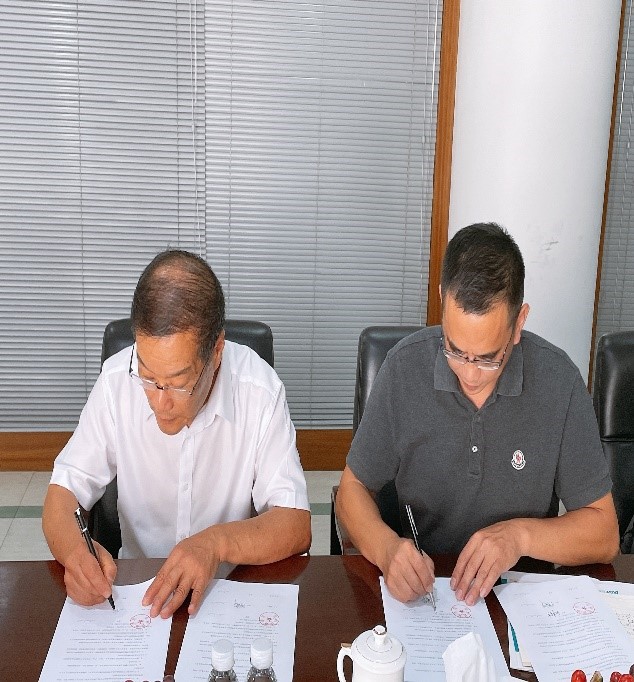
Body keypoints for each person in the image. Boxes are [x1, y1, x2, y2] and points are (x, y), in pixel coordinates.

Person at [336, 222, 619, 606]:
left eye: (488, 359)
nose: (469, 375)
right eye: (454, 350)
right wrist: (387, 548)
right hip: (426, 594)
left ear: (519, 323)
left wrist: (518, 537)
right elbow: (351, 490)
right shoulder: (403, 369)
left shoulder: (560, 382)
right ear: (442, 300)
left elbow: (604, 534)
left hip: (517, 600)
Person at [43, 249, 311, 618]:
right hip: (137, 594)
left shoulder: (259, 390)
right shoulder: (116, 381)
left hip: (227, 592)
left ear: (217, 351)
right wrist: (76, 553)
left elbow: (295, 523)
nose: (159, 401)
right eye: (148, 376)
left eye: (177, 383)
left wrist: (214, 544)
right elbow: (63, 493)